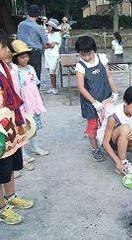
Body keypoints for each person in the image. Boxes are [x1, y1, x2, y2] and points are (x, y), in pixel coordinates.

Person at [0, 30, 33, 225]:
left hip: (9, 125)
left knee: (10, 164)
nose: (7, 50)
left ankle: (11, 196)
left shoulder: (5, 66)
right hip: (1, 129)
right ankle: (2, 208)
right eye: (4, 47)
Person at [75, 36, 119, 161]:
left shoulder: (102, 58)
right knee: (93, 126)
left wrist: (115, 92)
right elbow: (81, 88)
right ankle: (95, 149)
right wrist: (94, 103)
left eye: (89, 54)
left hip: (106, 98)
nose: (87, 57)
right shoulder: (80, 66)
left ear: (94, 50)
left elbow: (109, 76)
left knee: (108, 123)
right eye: (83, 55)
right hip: (90, 103)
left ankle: (108, 144)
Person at [12, 40, 49, 161]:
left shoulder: (31, 68)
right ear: (16, 58)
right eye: (22, 57)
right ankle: (22, 153)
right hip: (24, 104)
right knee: (23, 128)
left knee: (34, 126)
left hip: (34, 102)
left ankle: (35, 147)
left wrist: (40, 98)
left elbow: (35, 84)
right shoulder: (15, 71)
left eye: (26, 56)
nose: (25, 59)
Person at [17, 4, 51, 88]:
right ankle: (35, 93)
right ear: (37, 15)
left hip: (21, 52)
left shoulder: (21, 24)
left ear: (28, 13)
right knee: (35, 74)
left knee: (22, 73)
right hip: (34, 53)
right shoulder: (38, 27)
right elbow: (46, 43)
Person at [44, 18, 62, 95]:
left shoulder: (57, 34)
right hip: (47, 55)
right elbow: (44, 45)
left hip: (53, 55)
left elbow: (52, 45)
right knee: (50, 72)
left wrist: (48, 45)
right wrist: (48, 45)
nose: (48, 27)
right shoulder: (47, 34)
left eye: (49, 26)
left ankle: (54, 88)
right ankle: (52, 87)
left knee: (53, 71)